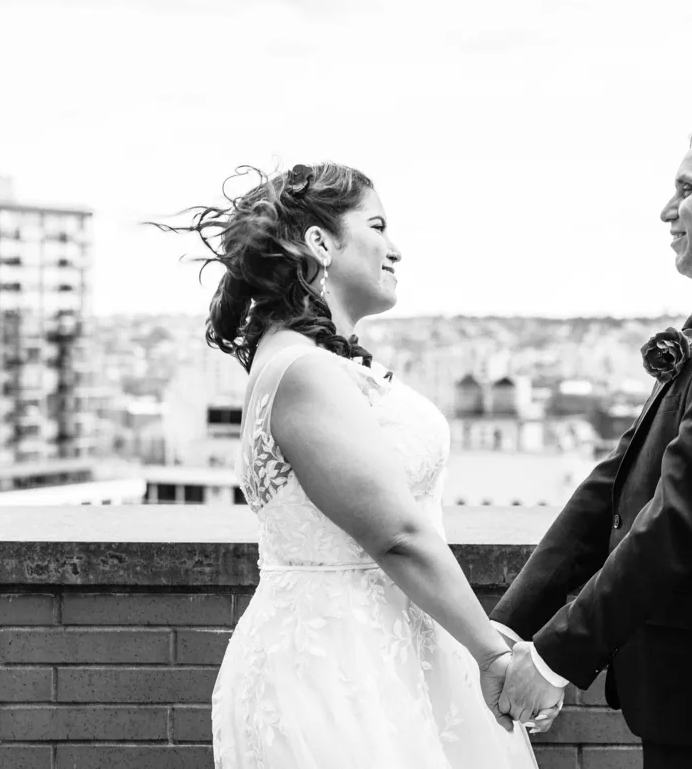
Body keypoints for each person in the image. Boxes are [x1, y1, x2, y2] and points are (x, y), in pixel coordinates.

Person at [160, 163, 550, 768]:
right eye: (377, 226)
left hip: (372, 649)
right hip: (338, 664)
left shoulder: (303, 360)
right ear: (320, 243)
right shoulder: (306, 371)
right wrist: (491, 653)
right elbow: (396, 534)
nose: (395, 248)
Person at [491, 123, 692, 769]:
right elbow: (615, 486)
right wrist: (511, 627)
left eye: (686, 188)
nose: (666, 209)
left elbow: (679, 519)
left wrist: (554, 657)